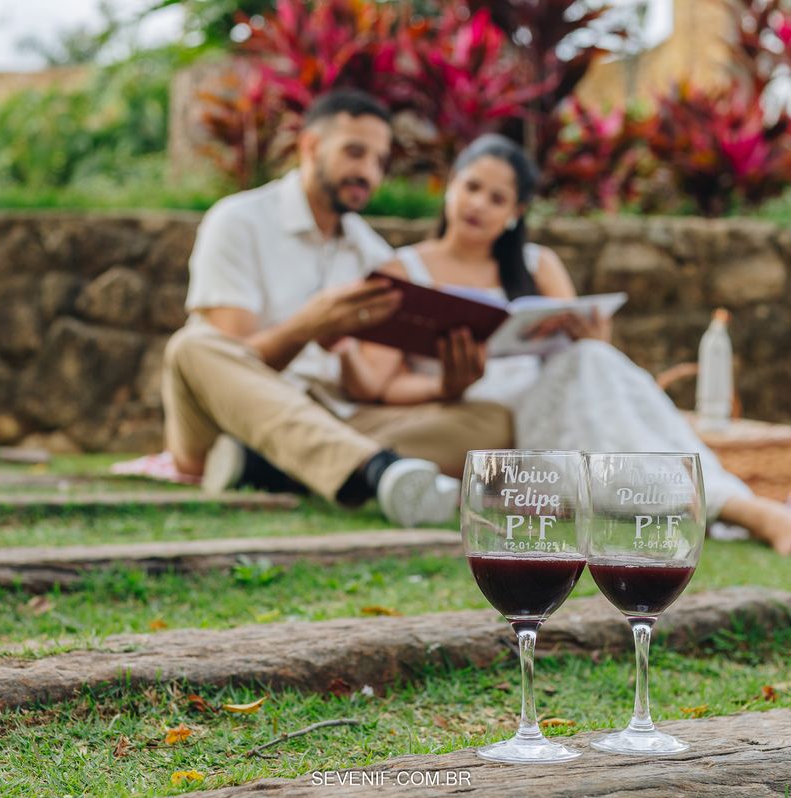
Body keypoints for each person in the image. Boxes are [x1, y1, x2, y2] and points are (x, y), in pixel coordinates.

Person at [335, 133, 791, 555]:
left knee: (593, 359)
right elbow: (381, 384)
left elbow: (580, 356)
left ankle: (723, 505)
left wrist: (594, 338)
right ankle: (741, 509)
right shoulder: (402, 271)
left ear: (516, 212)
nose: (478, 204)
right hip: (475, 412)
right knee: (592, 377)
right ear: (451, 185)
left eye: (497, 199)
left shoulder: (538, 265)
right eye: (472, 187)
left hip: (554, 404)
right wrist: (448, 386)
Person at [161, 91, 512, 527]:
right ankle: (374, 471)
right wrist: (307, 326)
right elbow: (232, 366)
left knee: (491, 423)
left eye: (379, 161)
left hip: (335, 419)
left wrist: (446, 385)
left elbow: (369, 388)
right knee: (191, 347)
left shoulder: (373, 255)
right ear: (310, 146)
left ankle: (269, 469)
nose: (367, 172)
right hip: (228, 420)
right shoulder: (238, 222)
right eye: (355, 152)